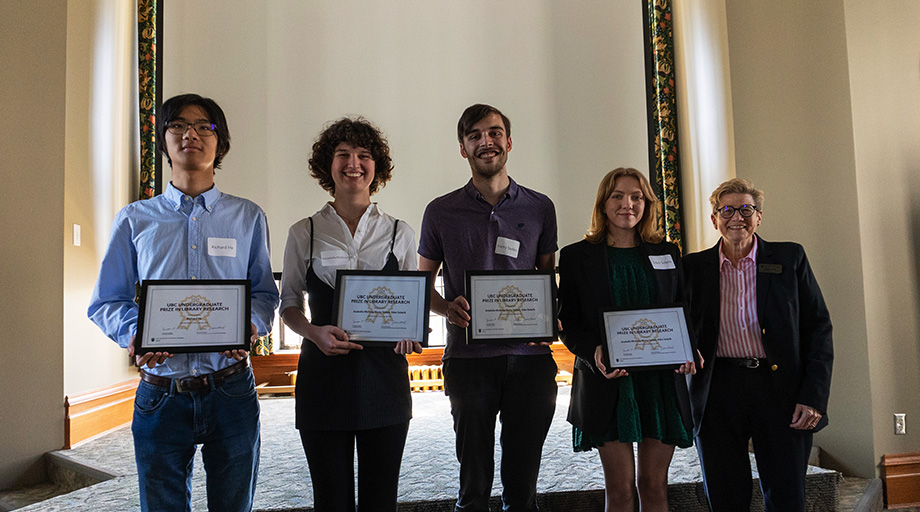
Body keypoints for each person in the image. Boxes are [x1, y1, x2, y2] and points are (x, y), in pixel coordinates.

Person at [87, 93, 280, 512]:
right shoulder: (135, 219)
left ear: (220, 144)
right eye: (178, 125)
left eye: (203, 127)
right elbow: (107, 300)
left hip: (231, 388)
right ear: (164, 140)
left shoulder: (248, 217)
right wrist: (135, 332)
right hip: (160, 393)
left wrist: (248, 324)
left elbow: (265, 293)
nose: (190, 133)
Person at [418, 104, 559, 512]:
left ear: (509, 142)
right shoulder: (440, 211)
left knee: (523, 481)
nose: (486, 141)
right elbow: (423, 286)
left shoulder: (540, 206)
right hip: (468, 358)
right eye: (475, 135)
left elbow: (547, 279)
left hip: (531, 359)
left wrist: (549, 314)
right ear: (463, 148)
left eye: (494, 133)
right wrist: (446, 309)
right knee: (474, 481)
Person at [279, 118, 422, 512]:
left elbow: (414, 304)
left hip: (384, 381)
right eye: (343, 154)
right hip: (322, 383)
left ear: (377, 167)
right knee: (330, 500)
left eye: (363, 155)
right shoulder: (303, 232)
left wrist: (412, 333)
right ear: (328, 164)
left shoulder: (401, 233)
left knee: (381, 501)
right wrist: (312, 332)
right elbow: (288, 304)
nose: (353, 163)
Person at [683, 178, 833, 512]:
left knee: (786, 495)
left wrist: (813, 398)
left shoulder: (790, 258)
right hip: (716, 390)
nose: (737, 216)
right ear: (714, 219)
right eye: (727, 209)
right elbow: (677, 322)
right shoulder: (693, 267)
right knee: (725, 496)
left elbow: (819, 329)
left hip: (778, 388)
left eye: (746, 209)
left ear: (759, 217)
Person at [557, 168, 698, 512]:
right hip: (608, 381)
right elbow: (568, 322)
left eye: (637, 197)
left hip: (661, 382)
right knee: (619, 490)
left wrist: (687, 347)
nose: (627, 204)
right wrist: (594, 352)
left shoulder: (668, 251)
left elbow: (682, 311)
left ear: (647, 204)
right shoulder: (577, 256)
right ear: (603, 204)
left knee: (654, 486)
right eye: (618, 196)